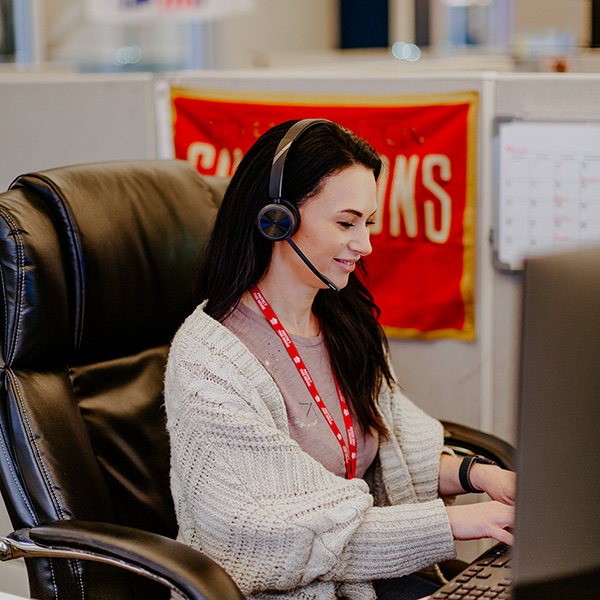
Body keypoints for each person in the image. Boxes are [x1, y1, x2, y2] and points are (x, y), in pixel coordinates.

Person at [164, 119, 516, 600]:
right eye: (346, 223)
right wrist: (455, 521)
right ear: (276, 219)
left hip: (368, 583)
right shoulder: (207, 361)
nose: (365, 244)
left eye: (368, 222)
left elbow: (396, 453)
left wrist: (482, 475)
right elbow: (283, 538)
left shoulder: (343, 320)